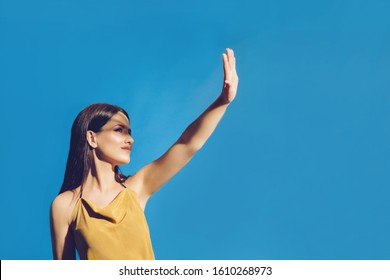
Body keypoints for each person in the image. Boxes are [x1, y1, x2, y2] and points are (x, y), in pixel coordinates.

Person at [50, 48, 239, 260]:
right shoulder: (66, 205)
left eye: (129, 132)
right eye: (119, 130)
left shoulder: (136, 189)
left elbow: (187, 145)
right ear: (92, 138)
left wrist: (223, 100)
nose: (130, 139)